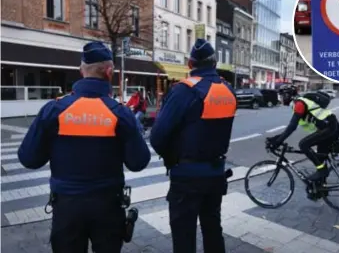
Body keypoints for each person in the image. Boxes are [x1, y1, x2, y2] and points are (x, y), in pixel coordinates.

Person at [17, 41, 151, 253]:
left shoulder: (54, 110)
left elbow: (29, 158)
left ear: (82, 71)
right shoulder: (121, 113)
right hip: (108, 207)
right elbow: (139, 162)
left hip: (67, 207)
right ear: (109, 72)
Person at [150, 39, 237, 253]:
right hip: (216, 172)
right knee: (212, 228)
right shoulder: (227, 90)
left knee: (184, 234)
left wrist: (172, 158)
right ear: (215, 63)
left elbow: (158, 137)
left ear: (190, 64)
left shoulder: (183, 91)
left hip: (187, 176)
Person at [266, 91, 339, 181]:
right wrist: (275, 139)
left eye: (281, 96)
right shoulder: (301, 102)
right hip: (330, 127)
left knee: (303, 144)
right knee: (320, 157)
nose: (280, 98)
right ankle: (321, 188)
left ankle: (321, 170)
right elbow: (291, 128)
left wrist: (277, 142)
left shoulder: (299, 104)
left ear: (287, 96)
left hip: (330, 128)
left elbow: (292, 127)